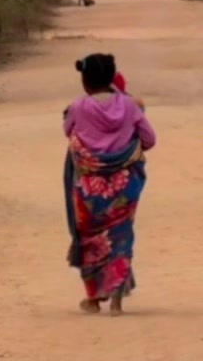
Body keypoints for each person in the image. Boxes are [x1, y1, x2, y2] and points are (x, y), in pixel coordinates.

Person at [63, 53, 156, 315]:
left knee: (91, 238)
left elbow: (68, 131)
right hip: (125, 185)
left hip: (89, 187)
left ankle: (94, 298)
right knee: (121, 236)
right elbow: (150, 139)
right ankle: (116, 300)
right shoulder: (130, 106)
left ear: (85, 80)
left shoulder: (78, 107)